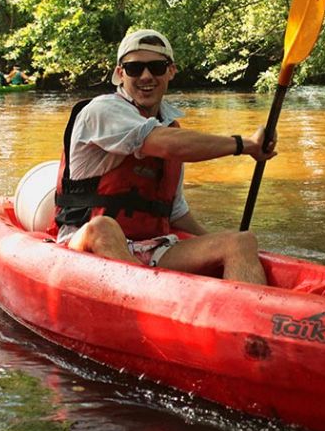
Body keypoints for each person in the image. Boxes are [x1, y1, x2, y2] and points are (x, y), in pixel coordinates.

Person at [53, 29, 277, 285]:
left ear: (171, 71)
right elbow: (167, 145)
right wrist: (244, 145)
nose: (146, 76)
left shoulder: (170, 126)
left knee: (241, 241)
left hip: (153, 248)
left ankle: (247, 319)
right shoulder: (103, 111)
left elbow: (175, 212)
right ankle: (149, 305)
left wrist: (214, 244)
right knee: (104, 227)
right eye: (135, 68)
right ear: (119, 74)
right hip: (85, 245)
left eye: (157, 67)